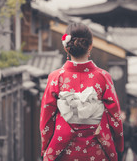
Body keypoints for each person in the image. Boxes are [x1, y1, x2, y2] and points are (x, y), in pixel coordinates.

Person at [40, 22, 124, 161]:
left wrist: (45, 148)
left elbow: (46, 118)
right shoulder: (103, 77)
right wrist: (119, 146)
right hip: (97, 150)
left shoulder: (56, 77)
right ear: (90, 46)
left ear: (67, 48)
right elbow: (115, 117)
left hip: (63, 150)